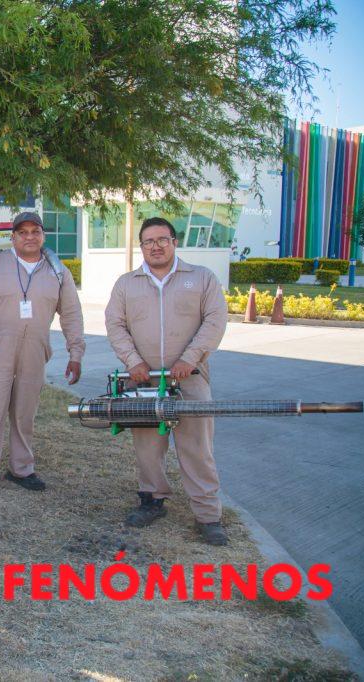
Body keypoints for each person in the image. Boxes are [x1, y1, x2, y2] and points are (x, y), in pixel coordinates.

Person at [104, 216, 229, 546]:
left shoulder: (201, 278)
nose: (155, 246)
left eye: (162, 240)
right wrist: (133, 362)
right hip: (144, 381)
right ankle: (152, 500)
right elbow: (115, 325)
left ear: (174, 242)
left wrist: (190, 358)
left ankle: (208, 515)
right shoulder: (126, 284)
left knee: (198, 448)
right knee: (148, 446)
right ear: (141, 246)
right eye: (148, 241)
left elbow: (215, 320)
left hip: (190, 378)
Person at [0, 211, 84, 494]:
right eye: (22, 232)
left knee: (25, 413)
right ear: (13, 237)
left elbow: (72, 314)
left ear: (43, 236)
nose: (29, 237)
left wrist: (75, 353)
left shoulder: (57, 271)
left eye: (35, 232)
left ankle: (22, 469)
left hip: (35, 352)